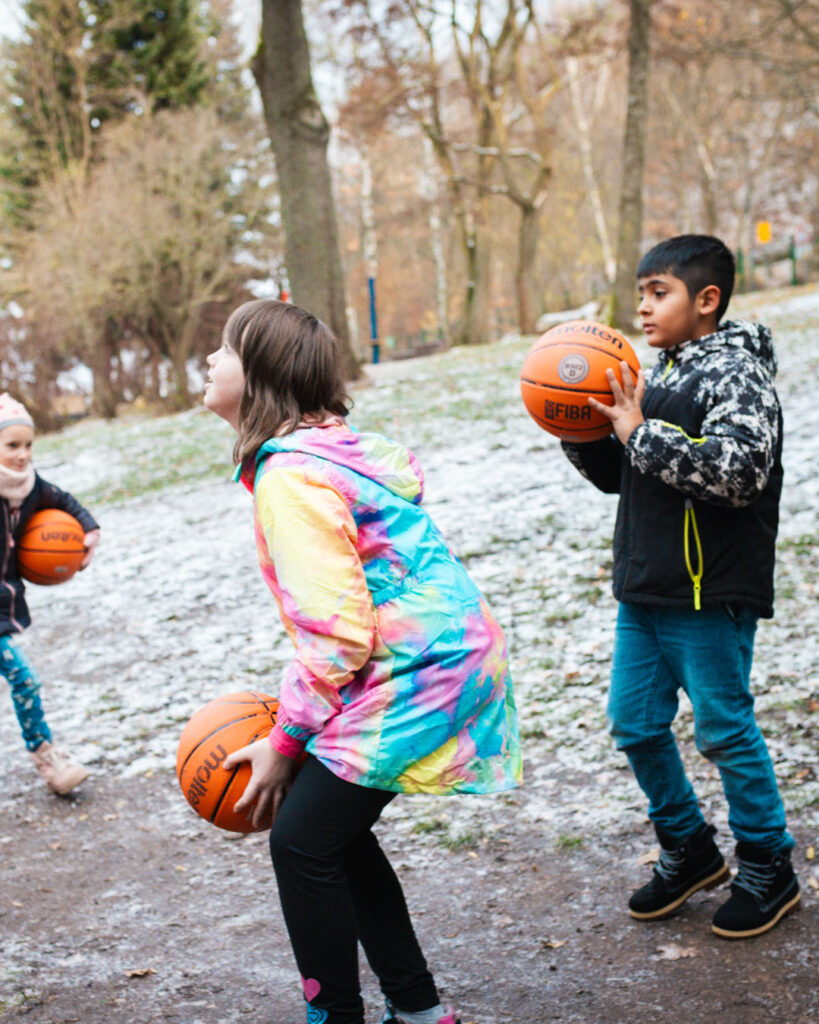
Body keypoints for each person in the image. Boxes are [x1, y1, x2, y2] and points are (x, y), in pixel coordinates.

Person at [202, 298, 521, 1024]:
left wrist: (287, 740)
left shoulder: (292, 479)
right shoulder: (320, 454)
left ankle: (336, 1016)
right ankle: (416, 1010)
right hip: (438, 655)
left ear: (257, 377)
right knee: (329, 835)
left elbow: (337, 635)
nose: (210, 361)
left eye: (223, 349)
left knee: (300, 841)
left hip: (420, 669)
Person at [561, 234, 799, 940]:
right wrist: (581, 430)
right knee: (633, 723)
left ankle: (767, 862)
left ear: (706, 300)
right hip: (645, 590)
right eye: (638, 293)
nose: (641, 306)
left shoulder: (736, 376)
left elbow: (735, 472)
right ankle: (690, 847)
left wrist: (637, 432)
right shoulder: (654, 374)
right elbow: (625, 475)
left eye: (656, 292)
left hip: (710, 594)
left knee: (724, 731)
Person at [0, 393, 99, 795]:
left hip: (2, 612)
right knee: (25, 679)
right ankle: (47, 757)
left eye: (28, 445)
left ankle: (48, 760)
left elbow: (66, 501)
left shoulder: (31, 487)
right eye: (12, 445)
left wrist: (89, 530)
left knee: (25, 679)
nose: (23, 455)